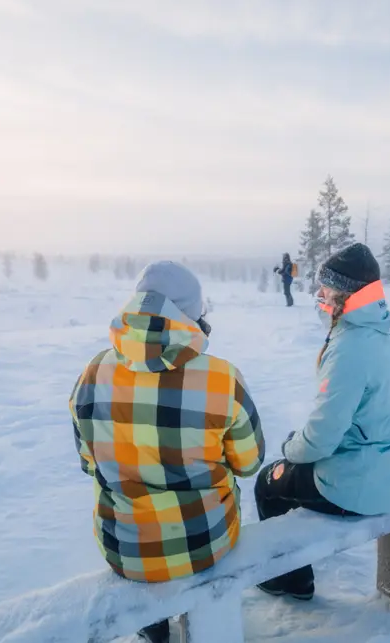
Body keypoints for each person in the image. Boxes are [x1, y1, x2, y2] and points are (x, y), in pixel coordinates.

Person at [69, 261, 266, 643]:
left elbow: (89, 462)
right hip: (207, 539)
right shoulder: (223, 378)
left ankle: (151, 627)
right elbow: (249, 463)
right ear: (191, 318)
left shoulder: (93, 372)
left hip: (123, 546)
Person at [253, 242, 390, 600]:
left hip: (356, 486)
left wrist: (290, 449)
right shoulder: (389, 340)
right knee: (293, 473)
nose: (319, 296)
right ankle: (295, 571)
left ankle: (292, 581)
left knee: (269, 482)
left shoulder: (349, 349)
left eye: (325, 290)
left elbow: (320, 439)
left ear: (345, 294)